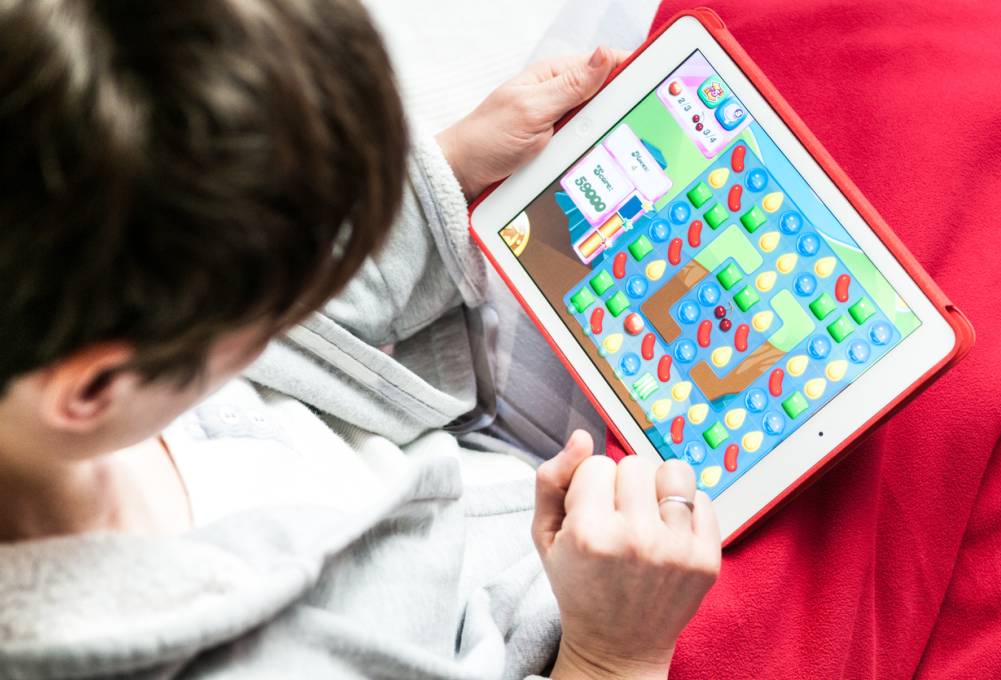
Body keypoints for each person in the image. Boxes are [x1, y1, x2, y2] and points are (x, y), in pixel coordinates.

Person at [0, 1, 720, 678]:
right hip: (591, 611)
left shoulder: (64, 316)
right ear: (95, 387)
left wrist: (449, 167)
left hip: (466, 447)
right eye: (279, 293)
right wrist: (612, 656)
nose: (315, 278)